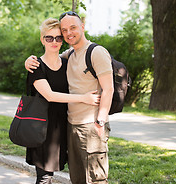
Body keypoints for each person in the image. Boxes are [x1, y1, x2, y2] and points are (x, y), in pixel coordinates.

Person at [25, 11, 114, 184]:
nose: (66, 34)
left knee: (95, 180)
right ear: (42, 39)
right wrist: (28, 61)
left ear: (82, 26)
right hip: (68, 127)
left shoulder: (96, 52)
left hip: (91, 126)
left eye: (72, 28)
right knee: (77, 179)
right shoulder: (70, 55)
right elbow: (50, 69)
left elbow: (108, 89)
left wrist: (101, 121)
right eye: (63, 31)